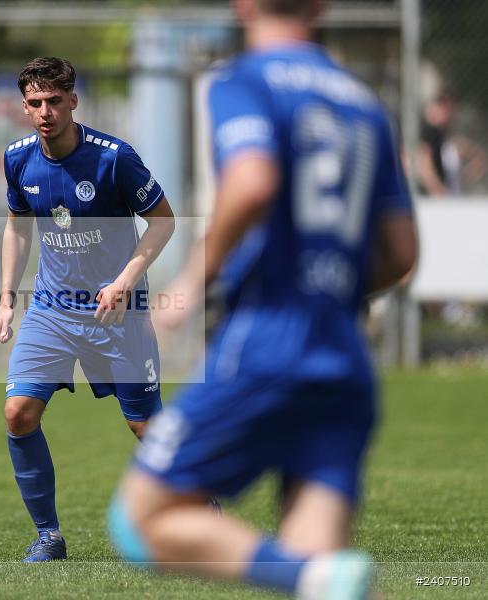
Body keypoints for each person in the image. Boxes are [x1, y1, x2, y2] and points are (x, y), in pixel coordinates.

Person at [107, 1, 418, 598]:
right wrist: (332, 290)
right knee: (324, 573)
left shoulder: (244, 79)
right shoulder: (363, 102)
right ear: (321, 5)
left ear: (243, 4)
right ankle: (315, 575)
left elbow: (252, 180)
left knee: (141, 521)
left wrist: (190, 282)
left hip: (269, 336)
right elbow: (401, 253)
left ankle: (306, 575)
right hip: (345, 352)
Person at [0, 57, 176, 562]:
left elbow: (163, 221)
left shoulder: (115, 159)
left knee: (146, 428)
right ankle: (48, 537)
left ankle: (203, 508)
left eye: (54, 101)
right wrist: (6, 298)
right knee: (18, 413)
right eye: (35, 103)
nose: (45, 112)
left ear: (73, 101)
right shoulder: (18, 159)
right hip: (51, 310)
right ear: (24, 107)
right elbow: (17, 226)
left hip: (118, 313)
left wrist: (124, 282)